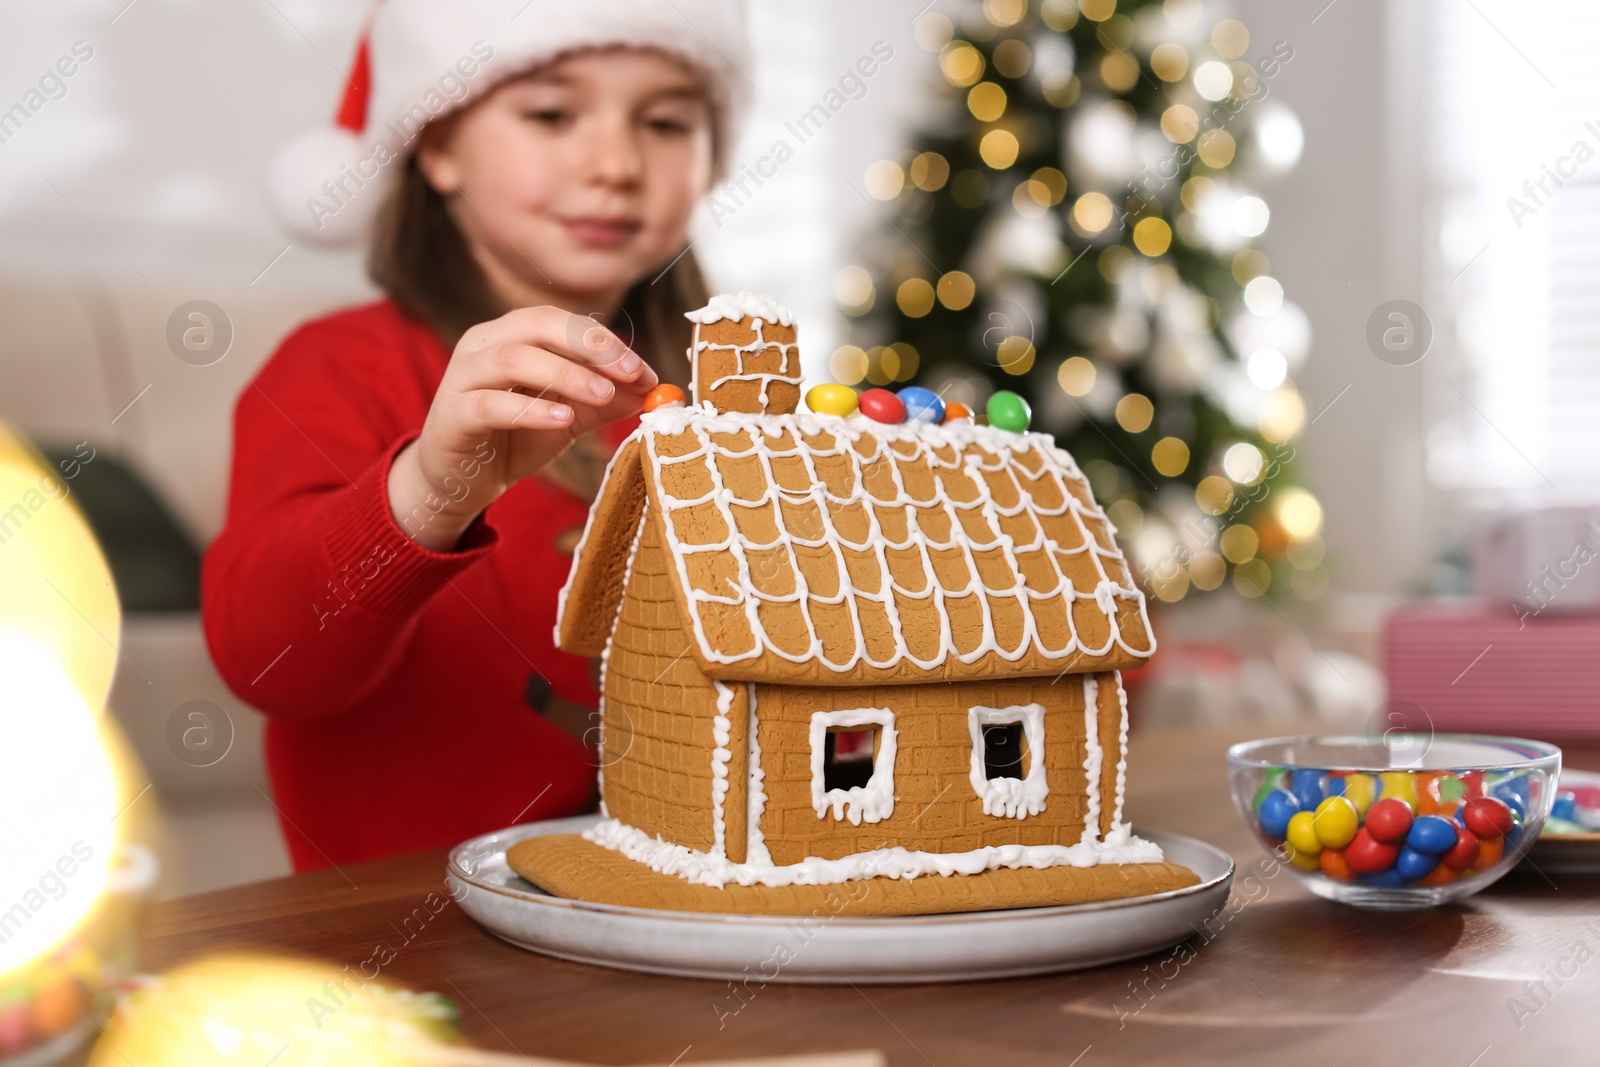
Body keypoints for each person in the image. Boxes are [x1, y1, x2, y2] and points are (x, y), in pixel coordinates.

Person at [202, 0, 750, 871]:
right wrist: (428, 489)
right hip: (408, 956)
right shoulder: (334, 370)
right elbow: (268, 660)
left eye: (667, 121)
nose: (616, 164)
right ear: (439, 145)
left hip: (684, 933)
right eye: (549, 113)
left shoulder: (725, 404)